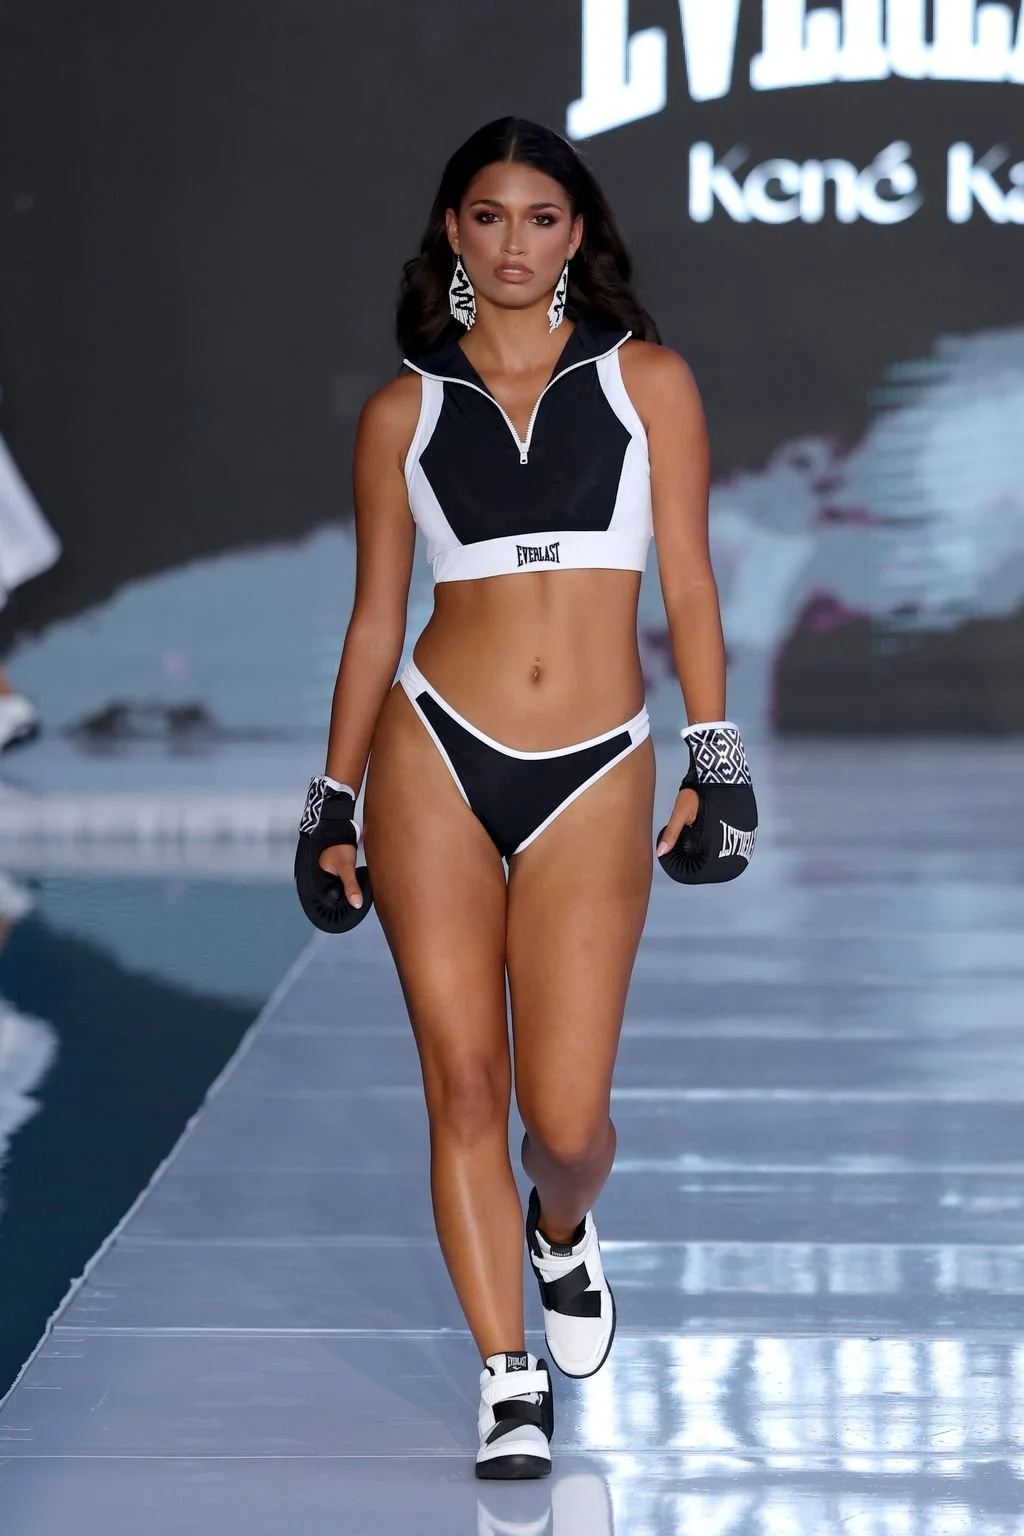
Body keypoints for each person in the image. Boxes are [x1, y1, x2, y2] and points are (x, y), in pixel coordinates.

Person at [311, 117, 733, 1478]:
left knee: (564, 1120)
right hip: (432, 750)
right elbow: (375, 622)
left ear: (576, 233)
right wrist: (331, 800)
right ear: (452, 230)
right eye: (488, 216)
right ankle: (507, 1376)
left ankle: (562, 1228)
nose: (513, 242)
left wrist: (714, 758)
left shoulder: (648, 382)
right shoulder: (403, 412)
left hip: (597, 762)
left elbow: (688, 581)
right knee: (463, 1085)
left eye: (541, 218)